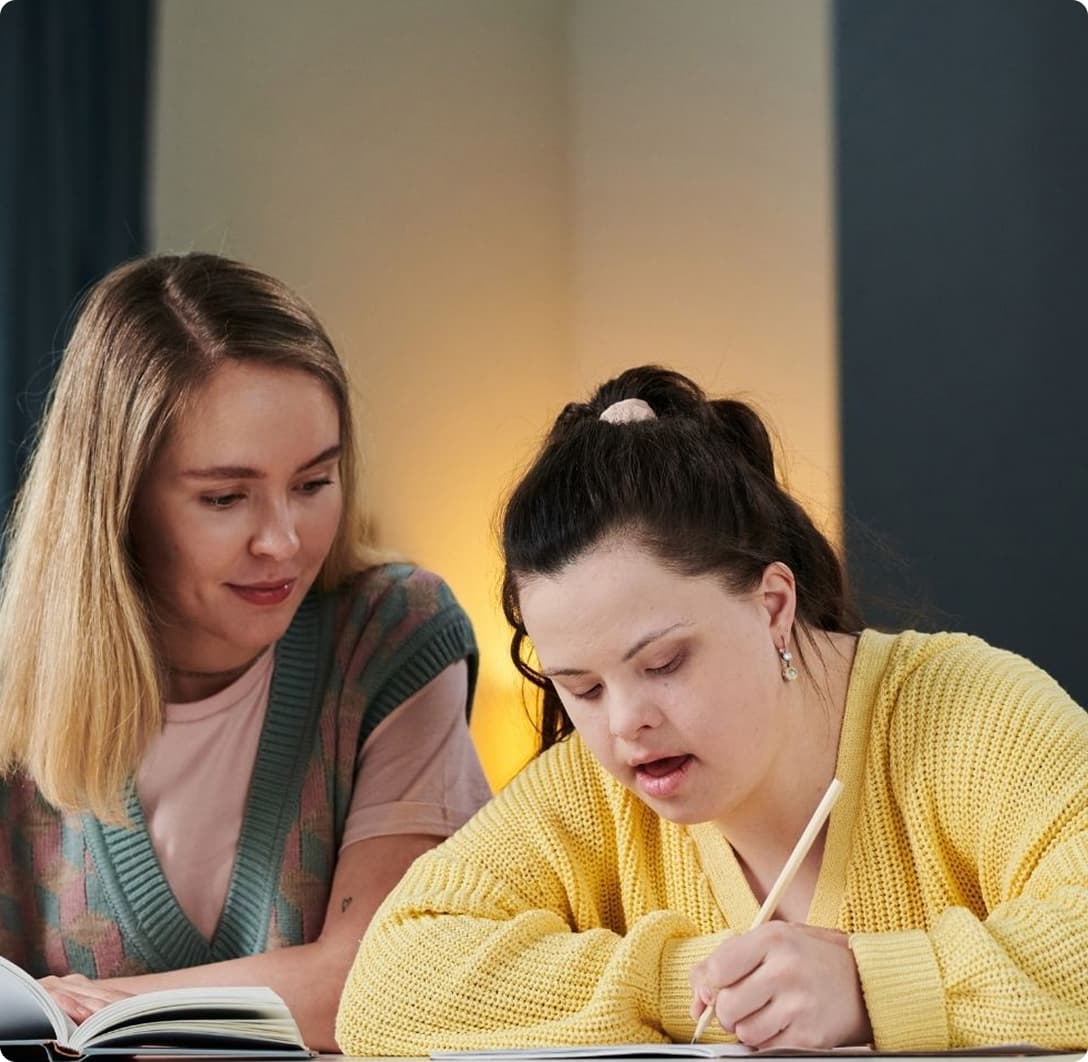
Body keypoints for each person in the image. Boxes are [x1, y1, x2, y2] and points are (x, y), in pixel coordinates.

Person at [336, 365, 1088, 1054]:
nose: (625, 722)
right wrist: (693, 982)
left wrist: (870, 987)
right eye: (583, 688)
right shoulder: (594, 790)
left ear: (772, 606)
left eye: (663, 664)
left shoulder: (964, 714)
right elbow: (386, 988)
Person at [0, 252, 492, 1052]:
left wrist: (91, 1003)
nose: (284, 542)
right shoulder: (12, 684)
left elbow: (375, 977)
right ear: (116, 503)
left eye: (313, 482)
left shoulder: (392, 630)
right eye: (225, 498)